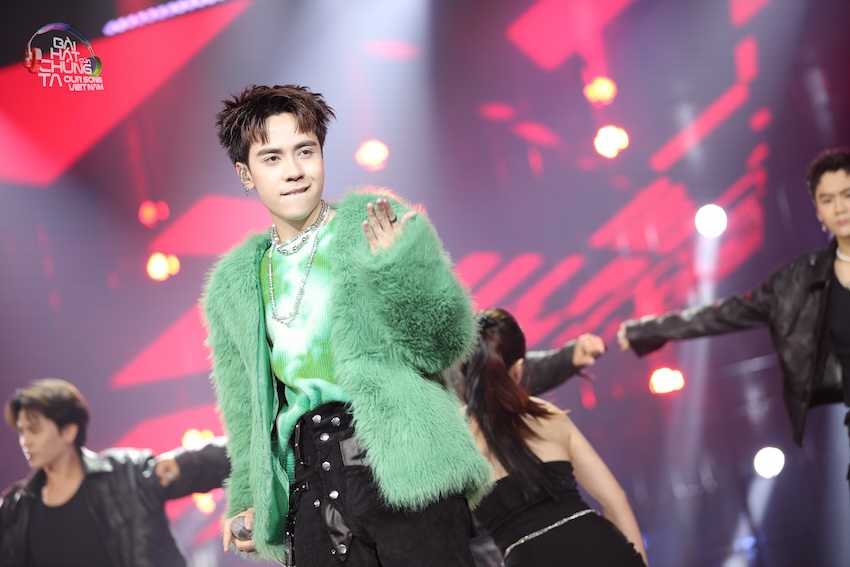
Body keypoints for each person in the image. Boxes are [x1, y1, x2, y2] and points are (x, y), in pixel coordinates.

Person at [204, 84, 491, 566]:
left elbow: (444, 345)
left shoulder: (374, 223)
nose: (293, 171)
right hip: (312, 485)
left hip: (402, 460)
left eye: (305, 151)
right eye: (272, 158)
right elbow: (244, 408)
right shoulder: (234, 283)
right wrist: (250, 495)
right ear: (245, 173)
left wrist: (398, 269)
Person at [617, 149, 850, 459]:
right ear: (818, 212)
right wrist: (650, 330)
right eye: (827, 200)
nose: (840, 208)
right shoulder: (796, 281)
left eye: (847, 195)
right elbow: (725, 314)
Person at [457, 308, 648, 567]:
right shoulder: (546, 415)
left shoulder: (456, 436)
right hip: (604, 549)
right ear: (519, 369)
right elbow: (615, 499)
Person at [0, 378, 230, 567]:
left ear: (68, 431)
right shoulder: (16, 510)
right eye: (21, 432)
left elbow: (217, 461)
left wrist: (184, 461)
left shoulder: (126, 475)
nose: (25, 441)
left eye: (34, 430)